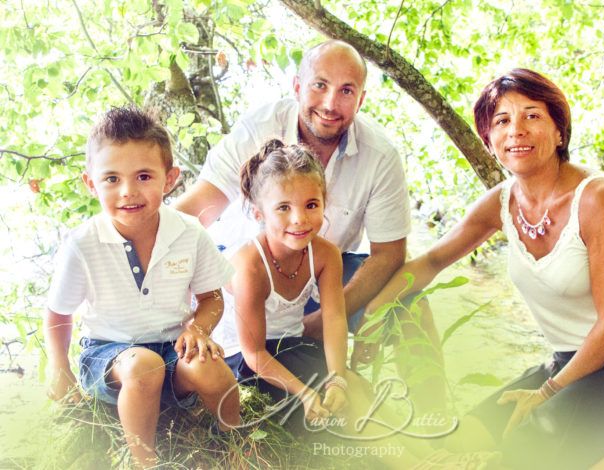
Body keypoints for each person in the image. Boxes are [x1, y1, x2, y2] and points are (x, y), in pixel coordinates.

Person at [353, 69, 604, 468]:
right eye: (502, 121)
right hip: (567, 363)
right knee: (456, 441)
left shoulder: (597, 198)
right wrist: (373, 314)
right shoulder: (500, 204)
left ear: (559, 131)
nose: (516, 130)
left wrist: (547, 393)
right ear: (489, 142)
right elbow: (430, 261)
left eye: (532, 115)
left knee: (521, 454)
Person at [44, 107, 240, 468]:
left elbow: (211, 296)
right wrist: (59, 366)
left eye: (144, 176)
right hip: (110, 357)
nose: (128, 191)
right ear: (91, 183)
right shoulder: (83, 243)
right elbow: (58, 313)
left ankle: (240, 445)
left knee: (210, 367)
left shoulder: (189, 231)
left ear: (170, 179)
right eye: (112, 179)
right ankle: (143, 462)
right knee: (143, 367)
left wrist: (198, 328)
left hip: (172, 350)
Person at [174, 40, 410, 340]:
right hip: (247, 273)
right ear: (297, 86)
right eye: (320, 85)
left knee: (407, 300)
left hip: (325, 275)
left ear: (360, 100)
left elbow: (389, 255)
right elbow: (196, 210)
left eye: (346, 91)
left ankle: (431, 387)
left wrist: (321, 322)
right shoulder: (258, 127)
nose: (330, 104)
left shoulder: (380, 156)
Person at [226, 138, 349, 423]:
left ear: (324, 203)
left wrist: (337, 379)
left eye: (311, 205)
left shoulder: (326, 254)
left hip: (290, 345)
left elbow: (334, 320)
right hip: (246, 359)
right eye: (283, 208)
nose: (299, 219)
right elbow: (253, 351)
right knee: (321, 420)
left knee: (354, 391)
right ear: (260, 213)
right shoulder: (250, 266)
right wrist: (305, 393)